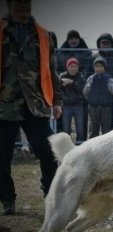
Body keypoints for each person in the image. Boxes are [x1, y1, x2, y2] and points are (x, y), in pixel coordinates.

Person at [0, 0, 63, 215]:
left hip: (35, 103)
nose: (23, 6)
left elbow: (52, 70)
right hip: (4, 104)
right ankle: (8, 199)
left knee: (48, 151)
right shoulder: (1, 31)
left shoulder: (44, 36)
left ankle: (51, 195)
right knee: (1, 155)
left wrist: (57, 101)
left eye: (26, 2)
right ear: (9, 4)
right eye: (18, 3)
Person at [93, 33, 113, 129]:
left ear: (112, 44)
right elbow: (89, 74)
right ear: (99, 45)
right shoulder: (94, 57)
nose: (105, 45)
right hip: (97, 96)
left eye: (107, 43)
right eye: (103, 43)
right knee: (96, 122)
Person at [83, 56, 113, 138]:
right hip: (93, 108)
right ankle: (93, 148)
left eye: (100, 66)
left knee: (106, 131)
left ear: (104, 68)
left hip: (106, 108)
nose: (98, 68)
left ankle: (106, 148)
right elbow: (85, 92)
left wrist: (109, 84)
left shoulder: (108, 78)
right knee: (93, 130)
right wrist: (91, 100)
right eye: (96, 66)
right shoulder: (91, 78)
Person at [59, 57, 85, 143]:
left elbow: (81, 89)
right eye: (71, 66)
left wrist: (71, 82)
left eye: (75, 66)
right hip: (66, 106)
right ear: (67, 67)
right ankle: (66, 145)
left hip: (78, 106)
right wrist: (63, 81)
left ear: (78, 68)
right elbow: (58, 87)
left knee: (80, 129)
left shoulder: (81, 76)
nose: (73, 68)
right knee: (66, 130)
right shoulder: (62, 76)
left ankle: (79, 146)